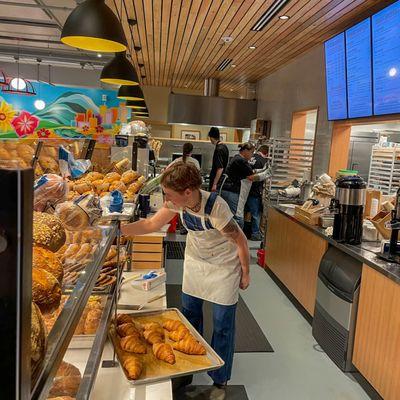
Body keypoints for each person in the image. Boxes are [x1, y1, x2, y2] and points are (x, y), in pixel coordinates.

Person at [121, 162, 250, 390]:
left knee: (222, 324)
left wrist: (245, 273)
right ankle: (189, 366)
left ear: (188, 192)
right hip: (196, 263)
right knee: (189, 317)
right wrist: (121, 230)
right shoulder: (176, 203)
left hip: (223, 267)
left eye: (168, 193)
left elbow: (240, 240)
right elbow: (152, 223)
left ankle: (220, 378)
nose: (165, 198)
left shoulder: (216, 208)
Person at [221, 142, 270, 229]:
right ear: (246, 151)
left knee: (234, 215)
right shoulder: (240, 160)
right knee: (238, 217)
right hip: (233, 191)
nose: (252, 155)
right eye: (251, 152)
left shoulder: (237, 158)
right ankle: (236, 239)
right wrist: (267, 173)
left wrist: (263, 169)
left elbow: (251, 171)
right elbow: (251, 177)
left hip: (230, 190)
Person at [245, 145, 270, 241]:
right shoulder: (263, 161)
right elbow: (261, 176)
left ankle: (245, 232)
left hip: (245, 189)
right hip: (255, 191)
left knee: (245, 212)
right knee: (255, 214)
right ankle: (255, 233)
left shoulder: (250, 158)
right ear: (266, 153)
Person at [208, 127, 229, 192]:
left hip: (217, 181)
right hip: (221, 179)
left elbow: (220, 168)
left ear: (211, 137)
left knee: (213, 200)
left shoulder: (219, 149)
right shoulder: (224, 146)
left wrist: (214, 184)